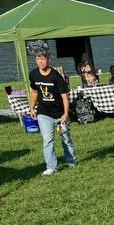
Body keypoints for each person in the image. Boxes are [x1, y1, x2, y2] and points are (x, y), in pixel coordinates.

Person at [28, 46, 78, 176]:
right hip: (43, 113)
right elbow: (34, 92)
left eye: (43, 59)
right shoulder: (33, 74)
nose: (40, 62)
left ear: (48, 59)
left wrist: (65, 114)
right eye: (38, 59)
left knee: (66, 138)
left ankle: (71, 161)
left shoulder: (56, 76)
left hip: (60, 113)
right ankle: (51, 167)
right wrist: (32, 108)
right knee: (47, 140)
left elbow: (64, 96)